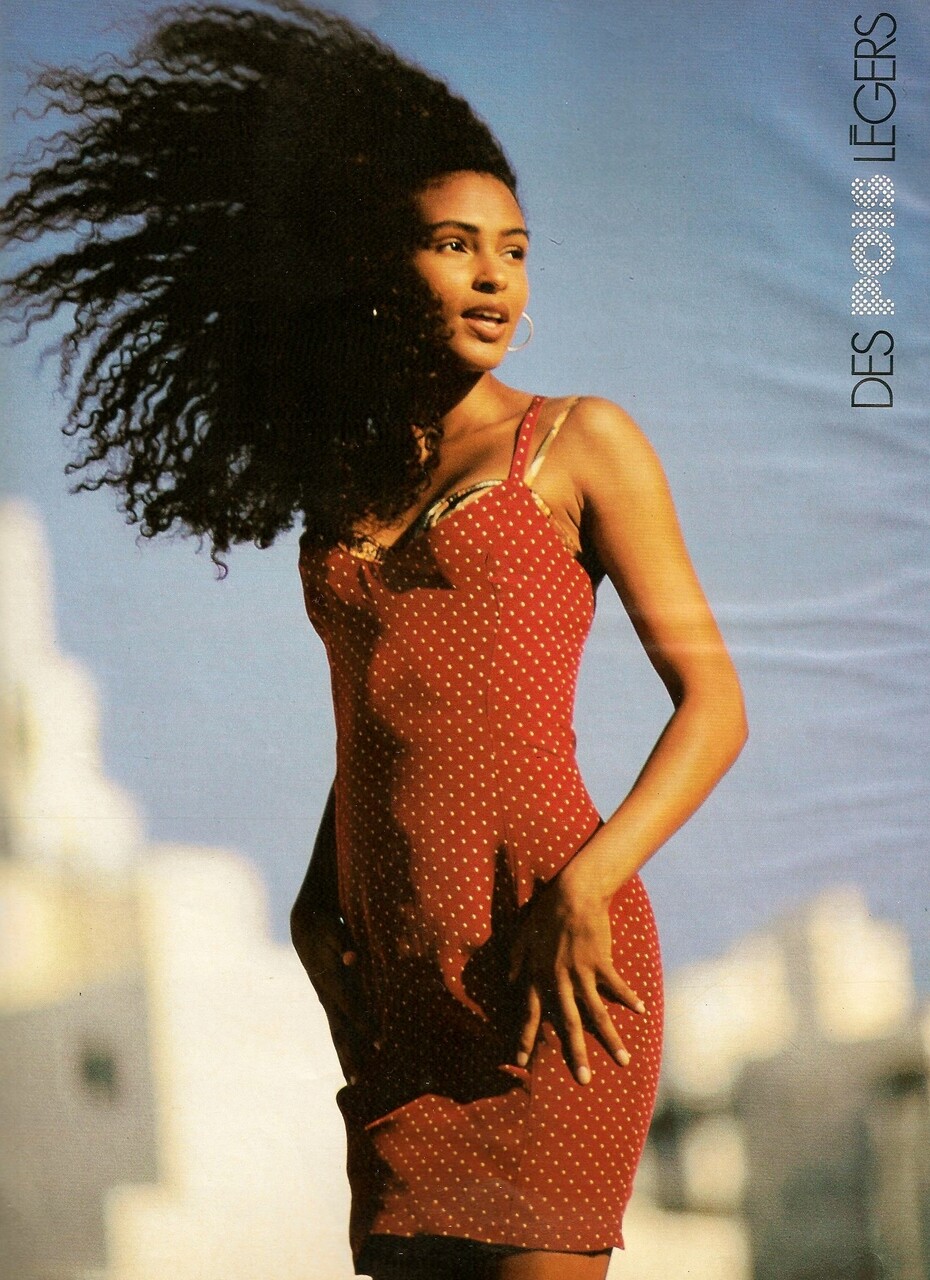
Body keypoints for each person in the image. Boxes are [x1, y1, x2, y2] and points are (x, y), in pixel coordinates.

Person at [0, 4, 747, 1277]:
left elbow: (716, 701)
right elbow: (391, 712)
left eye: (515, 250)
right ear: (370, 268)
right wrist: (315, 891)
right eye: (456, 245)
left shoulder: (579, 442)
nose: (495, 277)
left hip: (550, 962)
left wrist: (588, 884)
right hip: (397, 990)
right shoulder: (340, 487)